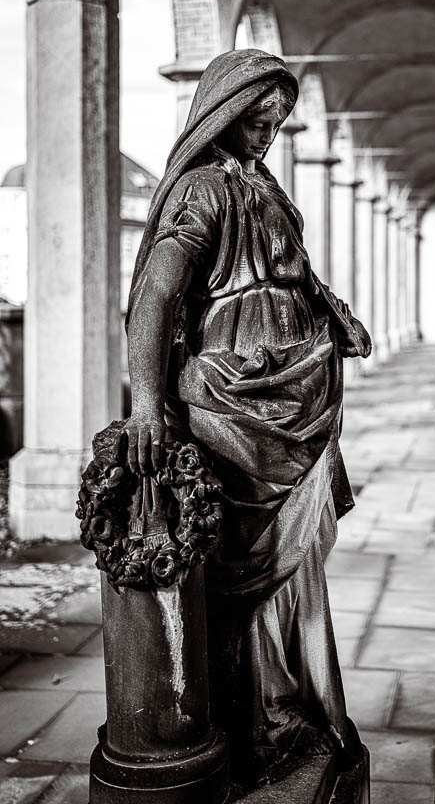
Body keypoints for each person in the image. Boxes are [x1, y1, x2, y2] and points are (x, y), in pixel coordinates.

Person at [123, 49, 371, 787]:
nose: (266, 133)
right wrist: (145, 402)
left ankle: (298, 702)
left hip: (301, 393)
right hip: (234, 399)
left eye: (276, 122)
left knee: (303, 556)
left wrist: (335, 312)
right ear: (222, 113)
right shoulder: (200, 190)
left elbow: (292, 268)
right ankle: (262, 717)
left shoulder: (263, 186)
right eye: (256, 119)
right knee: (251, 563)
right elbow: (155, 299)